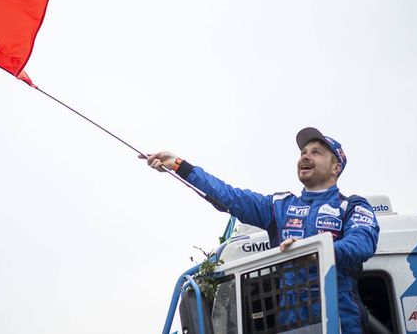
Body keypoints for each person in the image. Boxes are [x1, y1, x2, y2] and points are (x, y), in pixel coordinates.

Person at [144, 127, 379, 334]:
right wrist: (179, 166)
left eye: (316, 152)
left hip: (341, 322)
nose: (305, 155)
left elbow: (362, 244)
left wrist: (314, 251)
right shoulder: (280, 206)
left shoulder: (352, 206)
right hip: (292, 324)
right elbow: (228, 196)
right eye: (303, 152)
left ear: (336, 167)